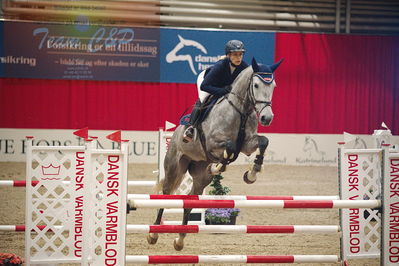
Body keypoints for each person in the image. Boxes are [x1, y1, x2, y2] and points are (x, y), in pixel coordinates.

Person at [183, 40, 249, 142]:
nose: (239, 57)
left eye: (241, 54)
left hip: (224, 86)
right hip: (207, 81)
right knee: (203, 99)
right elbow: (204, 86)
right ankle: (191, 128)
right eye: (235, 55)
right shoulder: (220, 66)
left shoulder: (243, 66)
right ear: (228, 55)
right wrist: (221, 91)